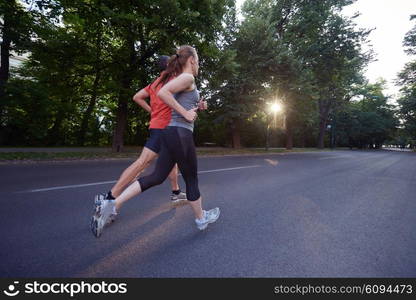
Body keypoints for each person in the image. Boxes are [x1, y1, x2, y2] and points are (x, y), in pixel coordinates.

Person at [91, 45, 219, 237]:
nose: (199, 64)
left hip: (170, 132)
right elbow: (163, 95)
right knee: (191, 178)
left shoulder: (177, 80)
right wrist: (185, 112)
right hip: (180, 135)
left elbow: (176, 105)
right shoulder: (187, 77)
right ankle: (201, 218)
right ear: (192, 60)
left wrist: (196, 107)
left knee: (157, 176)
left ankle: (111, 204)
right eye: (198, 60)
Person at [92, 56, 188, 230]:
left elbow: (137, 97)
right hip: (163, 129)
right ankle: (110, 199)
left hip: (159, 127)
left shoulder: (154, 84)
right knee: (141, 163)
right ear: (169, 66)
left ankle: (175, 193)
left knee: (171, 162)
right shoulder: (174, 80)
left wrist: (152, 111)